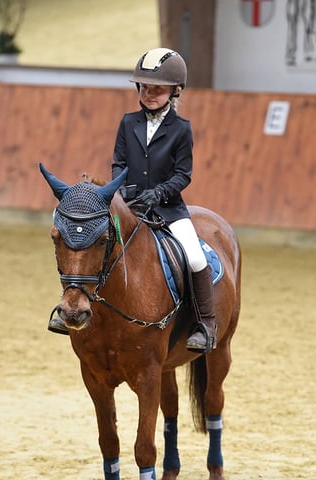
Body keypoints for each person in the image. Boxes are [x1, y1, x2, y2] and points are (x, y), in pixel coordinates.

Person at [48, 48, 216, 353]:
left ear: (175, 91)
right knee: (89, 241)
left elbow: (183, 174)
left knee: (195, 257)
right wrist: (123, 191)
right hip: (130, 206)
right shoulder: (128, 123)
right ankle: (71, 306)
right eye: (145, 88)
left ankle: (205, 324)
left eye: (158, 89)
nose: (149, 94)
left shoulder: (181, 129)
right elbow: (118, 163)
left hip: (168, 210)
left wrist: (161, 192)